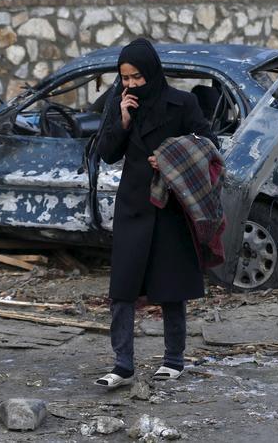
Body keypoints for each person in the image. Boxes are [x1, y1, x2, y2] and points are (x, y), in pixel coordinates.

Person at [95, 38, 218, 388]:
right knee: (122, 288)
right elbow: (107, 153)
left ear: (151, 71)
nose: (131, 84)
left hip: (169, 206)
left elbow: (209, 145)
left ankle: (173, 360)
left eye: (136, 77)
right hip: (133, 206)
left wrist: (170, 155)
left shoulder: (183, 104)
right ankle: (123, 365)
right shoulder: (118, 103)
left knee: (170, 285)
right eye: (125, 77)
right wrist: (121, 119)